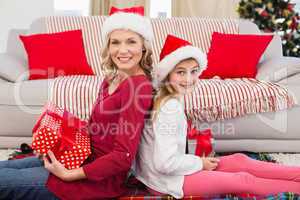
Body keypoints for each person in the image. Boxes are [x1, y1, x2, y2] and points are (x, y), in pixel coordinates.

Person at [0, 7, 154, 200]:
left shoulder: (137, 89)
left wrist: (69, 174)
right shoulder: (111, 78)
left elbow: (123, 156)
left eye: (131, 42)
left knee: (3, 179)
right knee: (6, 166)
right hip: (79, 157)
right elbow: (93, 128)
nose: (122, 50)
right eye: (115, 42)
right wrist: (59, 145)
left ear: (143, 47)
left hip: (95, 179)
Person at [134, 34, 300, 199]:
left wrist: (198, 162)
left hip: (167, 172)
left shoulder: (169, 98)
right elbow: (164, 163)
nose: (189, 79)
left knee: (239, 161)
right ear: (167, 75)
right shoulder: (169, 108)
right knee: (243, 180)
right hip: (167, 182)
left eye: (193, 71)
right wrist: (200, 163)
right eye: (180, 72)